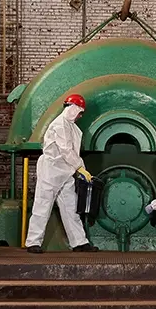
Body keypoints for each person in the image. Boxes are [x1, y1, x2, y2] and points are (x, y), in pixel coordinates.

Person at [25, 94, 99, 254]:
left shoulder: (70, 126)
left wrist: (81, 169)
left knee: (71, 208)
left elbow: (73, 152)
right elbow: (66, 150)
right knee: (42, 206)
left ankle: (79, 242)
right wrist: (80, 168)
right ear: (74, 108)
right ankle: (33, 242)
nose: (80, 116)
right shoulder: (59, 125)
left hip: (65, 172)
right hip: (51, 171)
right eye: (80, 112)